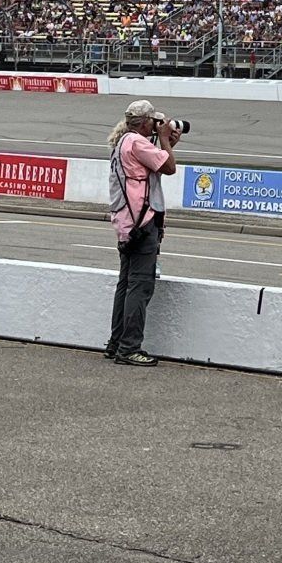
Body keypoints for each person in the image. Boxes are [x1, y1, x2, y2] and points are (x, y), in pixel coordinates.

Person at [103, 99, 180, 366]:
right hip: (142, 223)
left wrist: (166, 142)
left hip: (126, 224)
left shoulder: (123, 142)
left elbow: (156, 164)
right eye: (154, 122)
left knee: (125, 285)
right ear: (146, 122)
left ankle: (116, 343)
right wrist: (166, 140)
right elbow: (169, 167)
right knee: (140, 286)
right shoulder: (137, 143)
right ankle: (129, 348)